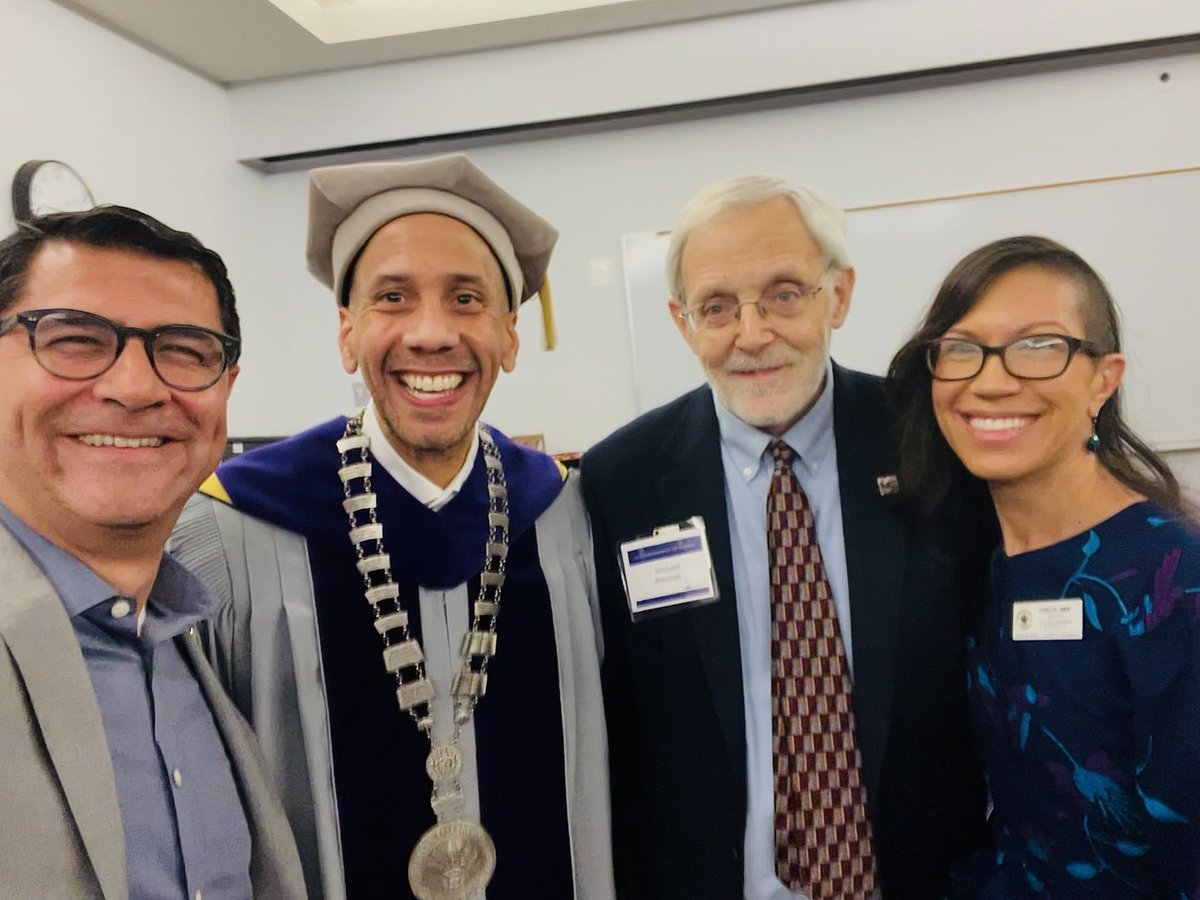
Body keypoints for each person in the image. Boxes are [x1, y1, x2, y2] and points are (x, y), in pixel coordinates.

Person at [172, 153, 613, 900]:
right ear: (348, 332)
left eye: (467, 298)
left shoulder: (565, 511)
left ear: (509, 333)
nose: (431, 333)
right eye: (393, 298)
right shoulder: (228, 528)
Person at [581, 175, 996, 899]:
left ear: (837, 295)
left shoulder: (930, 441)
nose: (753, 333)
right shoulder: (622, 479)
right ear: (683, 323)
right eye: (717, 307)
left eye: (783, 293)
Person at [0, 206, 306, 899]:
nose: (136, 388)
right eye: (73, 339)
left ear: (226, 387)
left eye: (184, 349)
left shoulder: (179, 637)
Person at [887, 234, 1200, 898]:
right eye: (963, 349)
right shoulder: (977, 561)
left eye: (1038, 347)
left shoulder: (1170, 573)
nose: (993, 381)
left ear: (1103, 381)